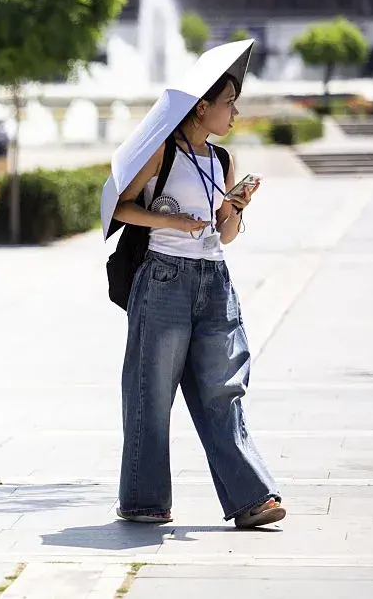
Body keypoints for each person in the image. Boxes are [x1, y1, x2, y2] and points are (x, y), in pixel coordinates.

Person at [111, 72, 285, 529]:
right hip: (164, 279)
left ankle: (252, 498)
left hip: (214, 282)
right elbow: (120, 209)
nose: (235, 111)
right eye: (229, 102)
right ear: (202, 107)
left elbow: (223, 234)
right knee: (151, 392)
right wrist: (171, 224)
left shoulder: (221, 159)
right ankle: (143, 499)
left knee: (223, 389)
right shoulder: (163, 153)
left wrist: (237, 207)